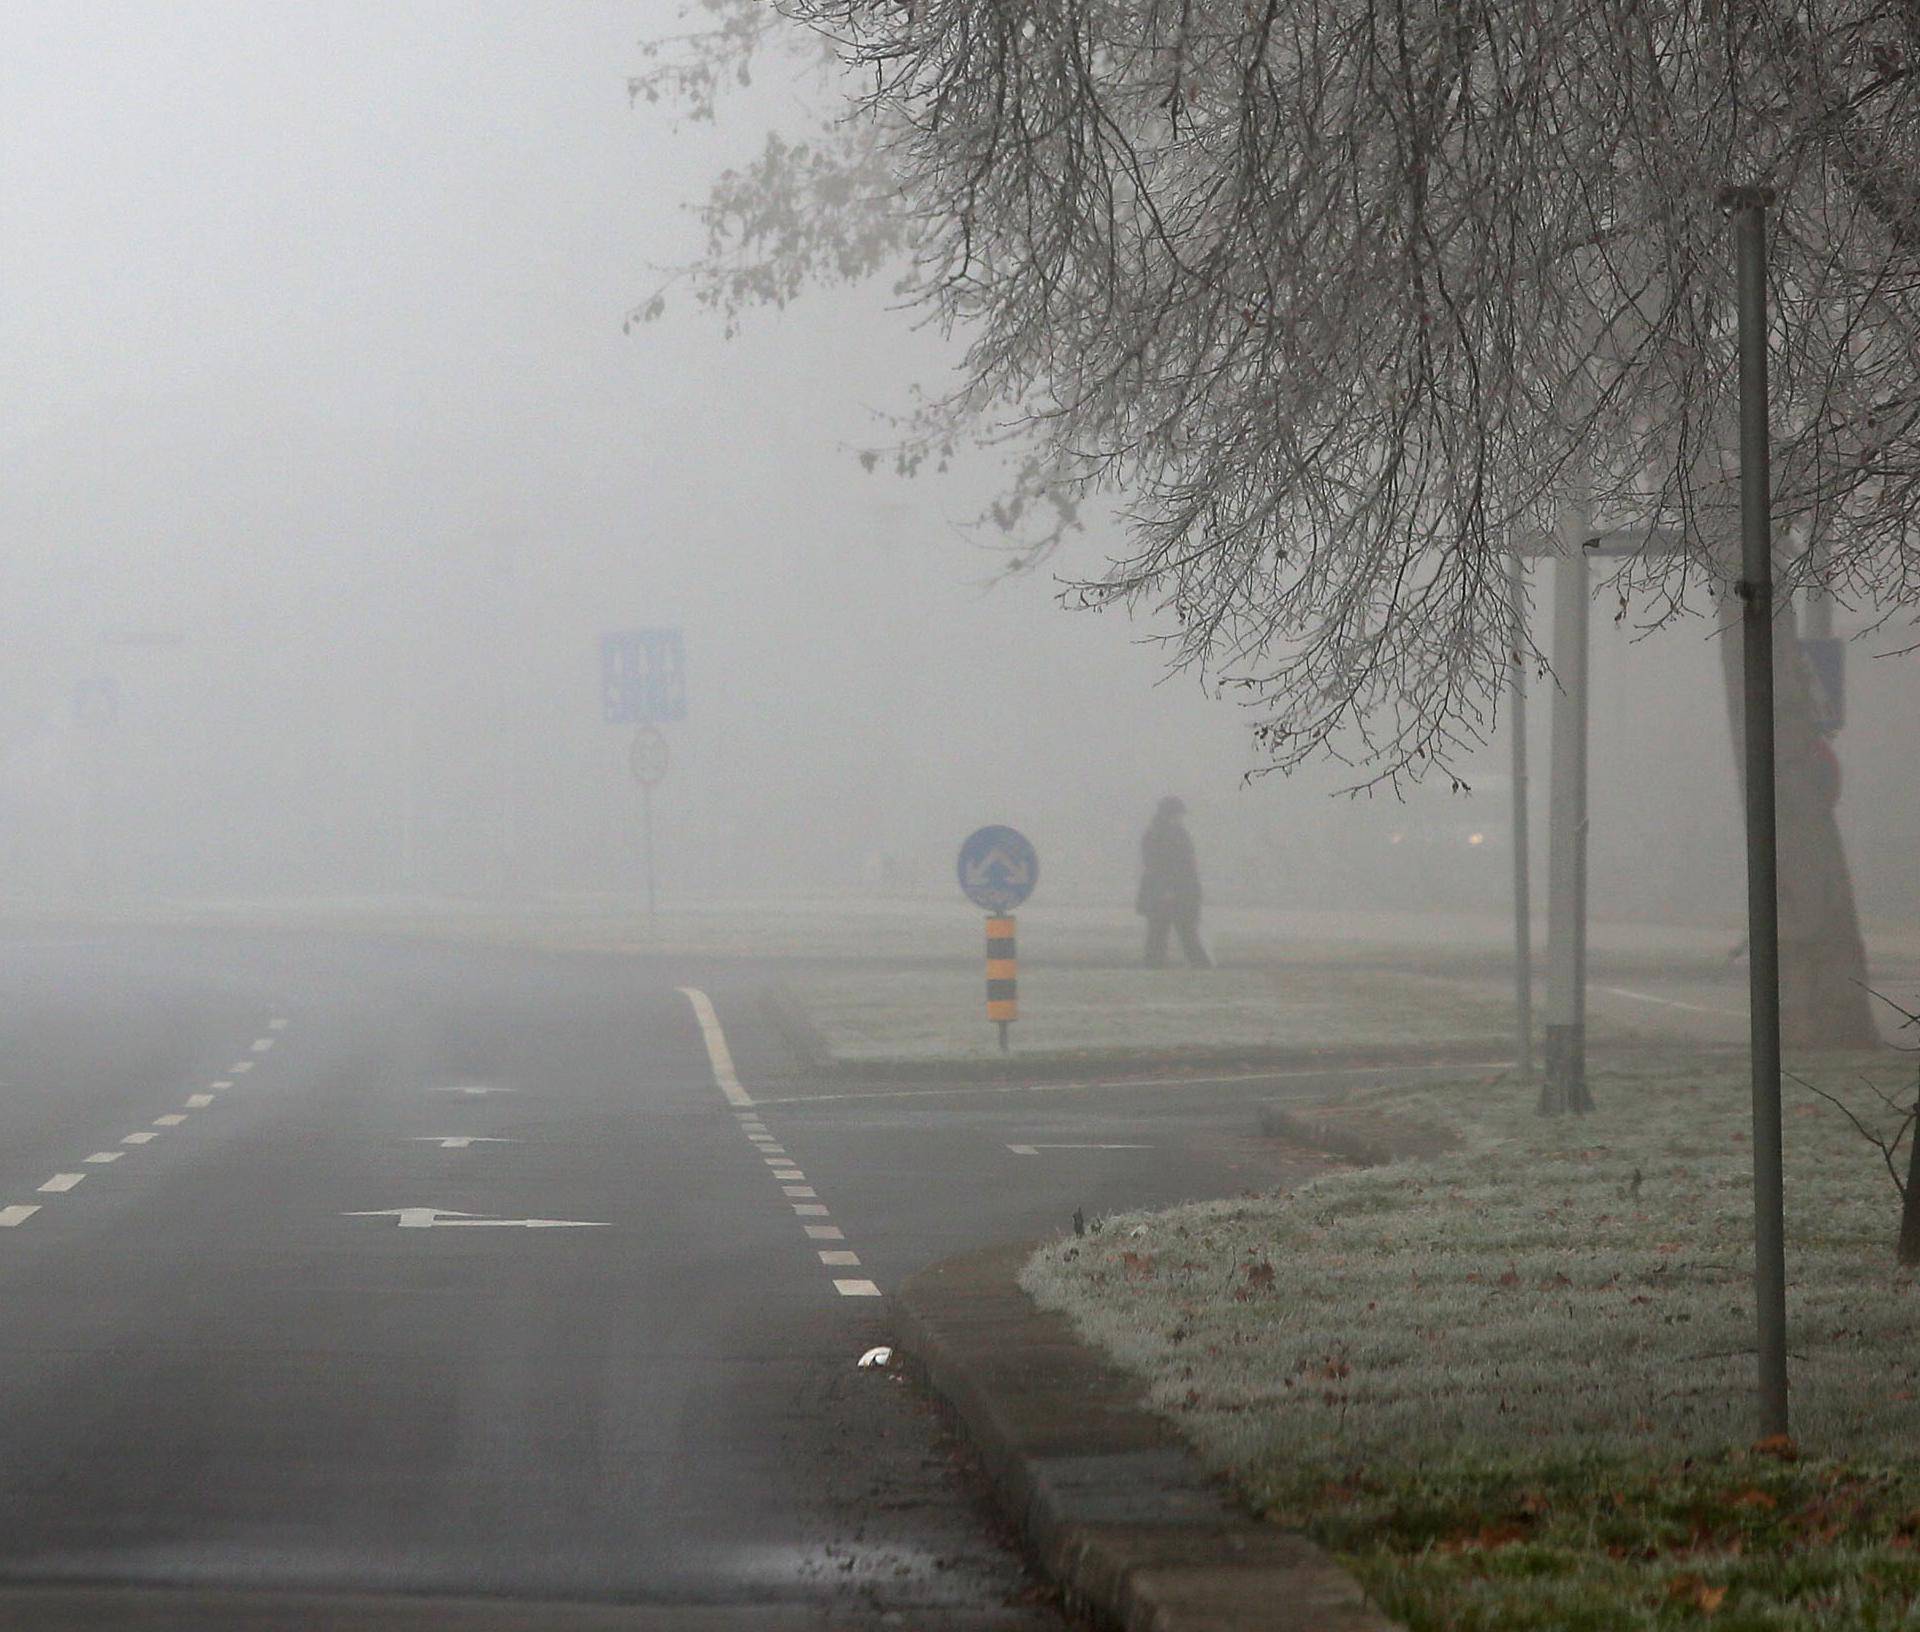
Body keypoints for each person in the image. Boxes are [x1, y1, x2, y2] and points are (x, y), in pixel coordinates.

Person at [1136, 796, 1212, 968]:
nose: (1181, 818)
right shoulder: (1160, 835)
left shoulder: (1169, 833)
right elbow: (1157, 865)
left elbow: (1185, 866)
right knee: (1168, 935)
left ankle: (1156, 969)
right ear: (1170, 814)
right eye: (1178, 814)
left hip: (1175, 893)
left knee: (1168, 934)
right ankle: (1201, 968)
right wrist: (1168, 889)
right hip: (1168, 894)